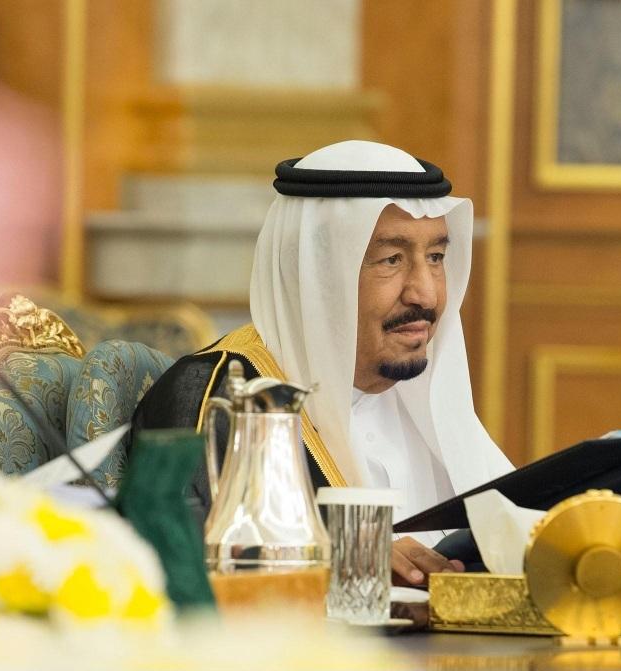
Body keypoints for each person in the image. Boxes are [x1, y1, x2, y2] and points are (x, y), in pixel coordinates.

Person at [131, 140, 514, 585]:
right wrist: (349, 561)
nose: (426, 294)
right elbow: (184, 575)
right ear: (316, 274)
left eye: (436, 258)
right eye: (391, 260)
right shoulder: (220, 399)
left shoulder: (424, 405)